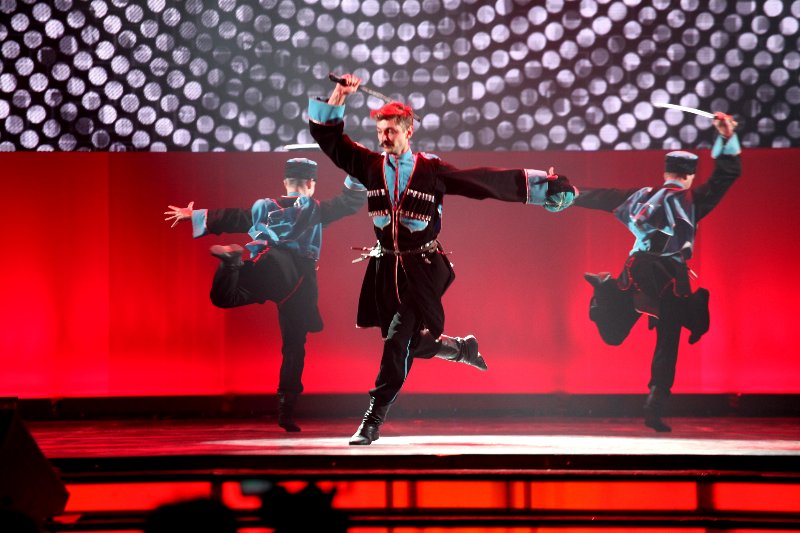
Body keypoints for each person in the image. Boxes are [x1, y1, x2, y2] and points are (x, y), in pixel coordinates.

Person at [307, 73, 577, 445]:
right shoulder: (368, 166)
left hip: (423, 270)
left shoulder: (430, 170)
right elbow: (330, 140)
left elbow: (481, 181)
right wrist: (340, 93)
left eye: (391, 131)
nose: (384, 138)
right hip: (387, 270)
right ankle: (459, 349)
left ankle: (372, 419)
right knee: (409, 342)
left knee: (397, 341)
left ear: (408, 131)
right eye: (380, 132)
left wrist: (542, 186)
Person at [164, 158, 366, 432]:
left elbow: (235, 217)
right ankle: (286, 411)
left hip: (267, 263)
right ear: (311, 184)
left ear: (285, 183)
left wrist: (196, 215)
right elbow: (348, 203)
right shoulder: (315, 210)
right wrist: (357, 171)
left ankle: (231, 264)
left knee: (224, 297)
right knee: (294, 346)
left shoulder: (264, 206)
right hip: (296, 279)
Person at [574, 113, 741, 432]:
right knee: (669, 340)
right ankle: (655, 404)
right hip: (670, 277)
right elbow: (726, 175)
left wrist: (562, 192)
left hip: (637, 270)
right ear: (689, 176)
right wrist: (726, 136)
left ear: (667, 173)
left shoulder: (639, 197)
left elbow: (598, 197)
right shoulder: (693, 200)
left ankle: (606, 288)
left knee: (615, 335)